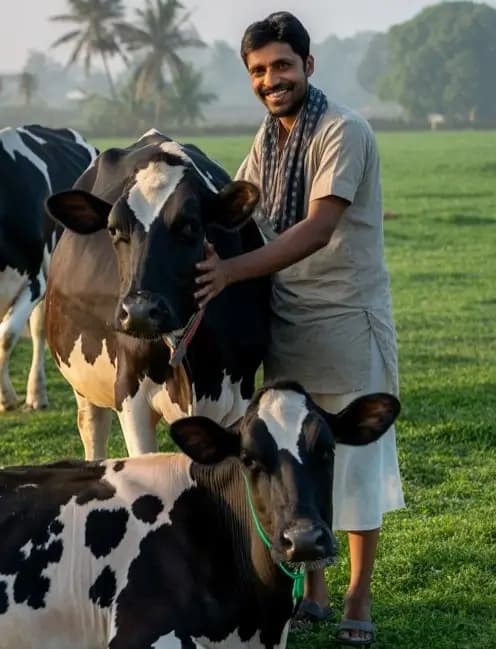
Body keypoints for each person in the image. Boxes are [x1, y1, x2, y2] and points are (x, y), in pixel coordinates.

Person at [193, 11, 404, 647]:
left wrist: (227, 273)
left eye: (282, 65)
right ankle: (311, 590)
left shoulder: (343, 130)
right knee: (298, 464)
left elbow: (317, 228)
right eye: (258, 71)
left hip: (344, 317)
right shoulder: (268, 140)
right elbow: (239, 208)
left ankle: (357, 597)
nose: (270, 79)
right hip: (286, 323)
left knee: (356, 465)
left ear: (308, 66)